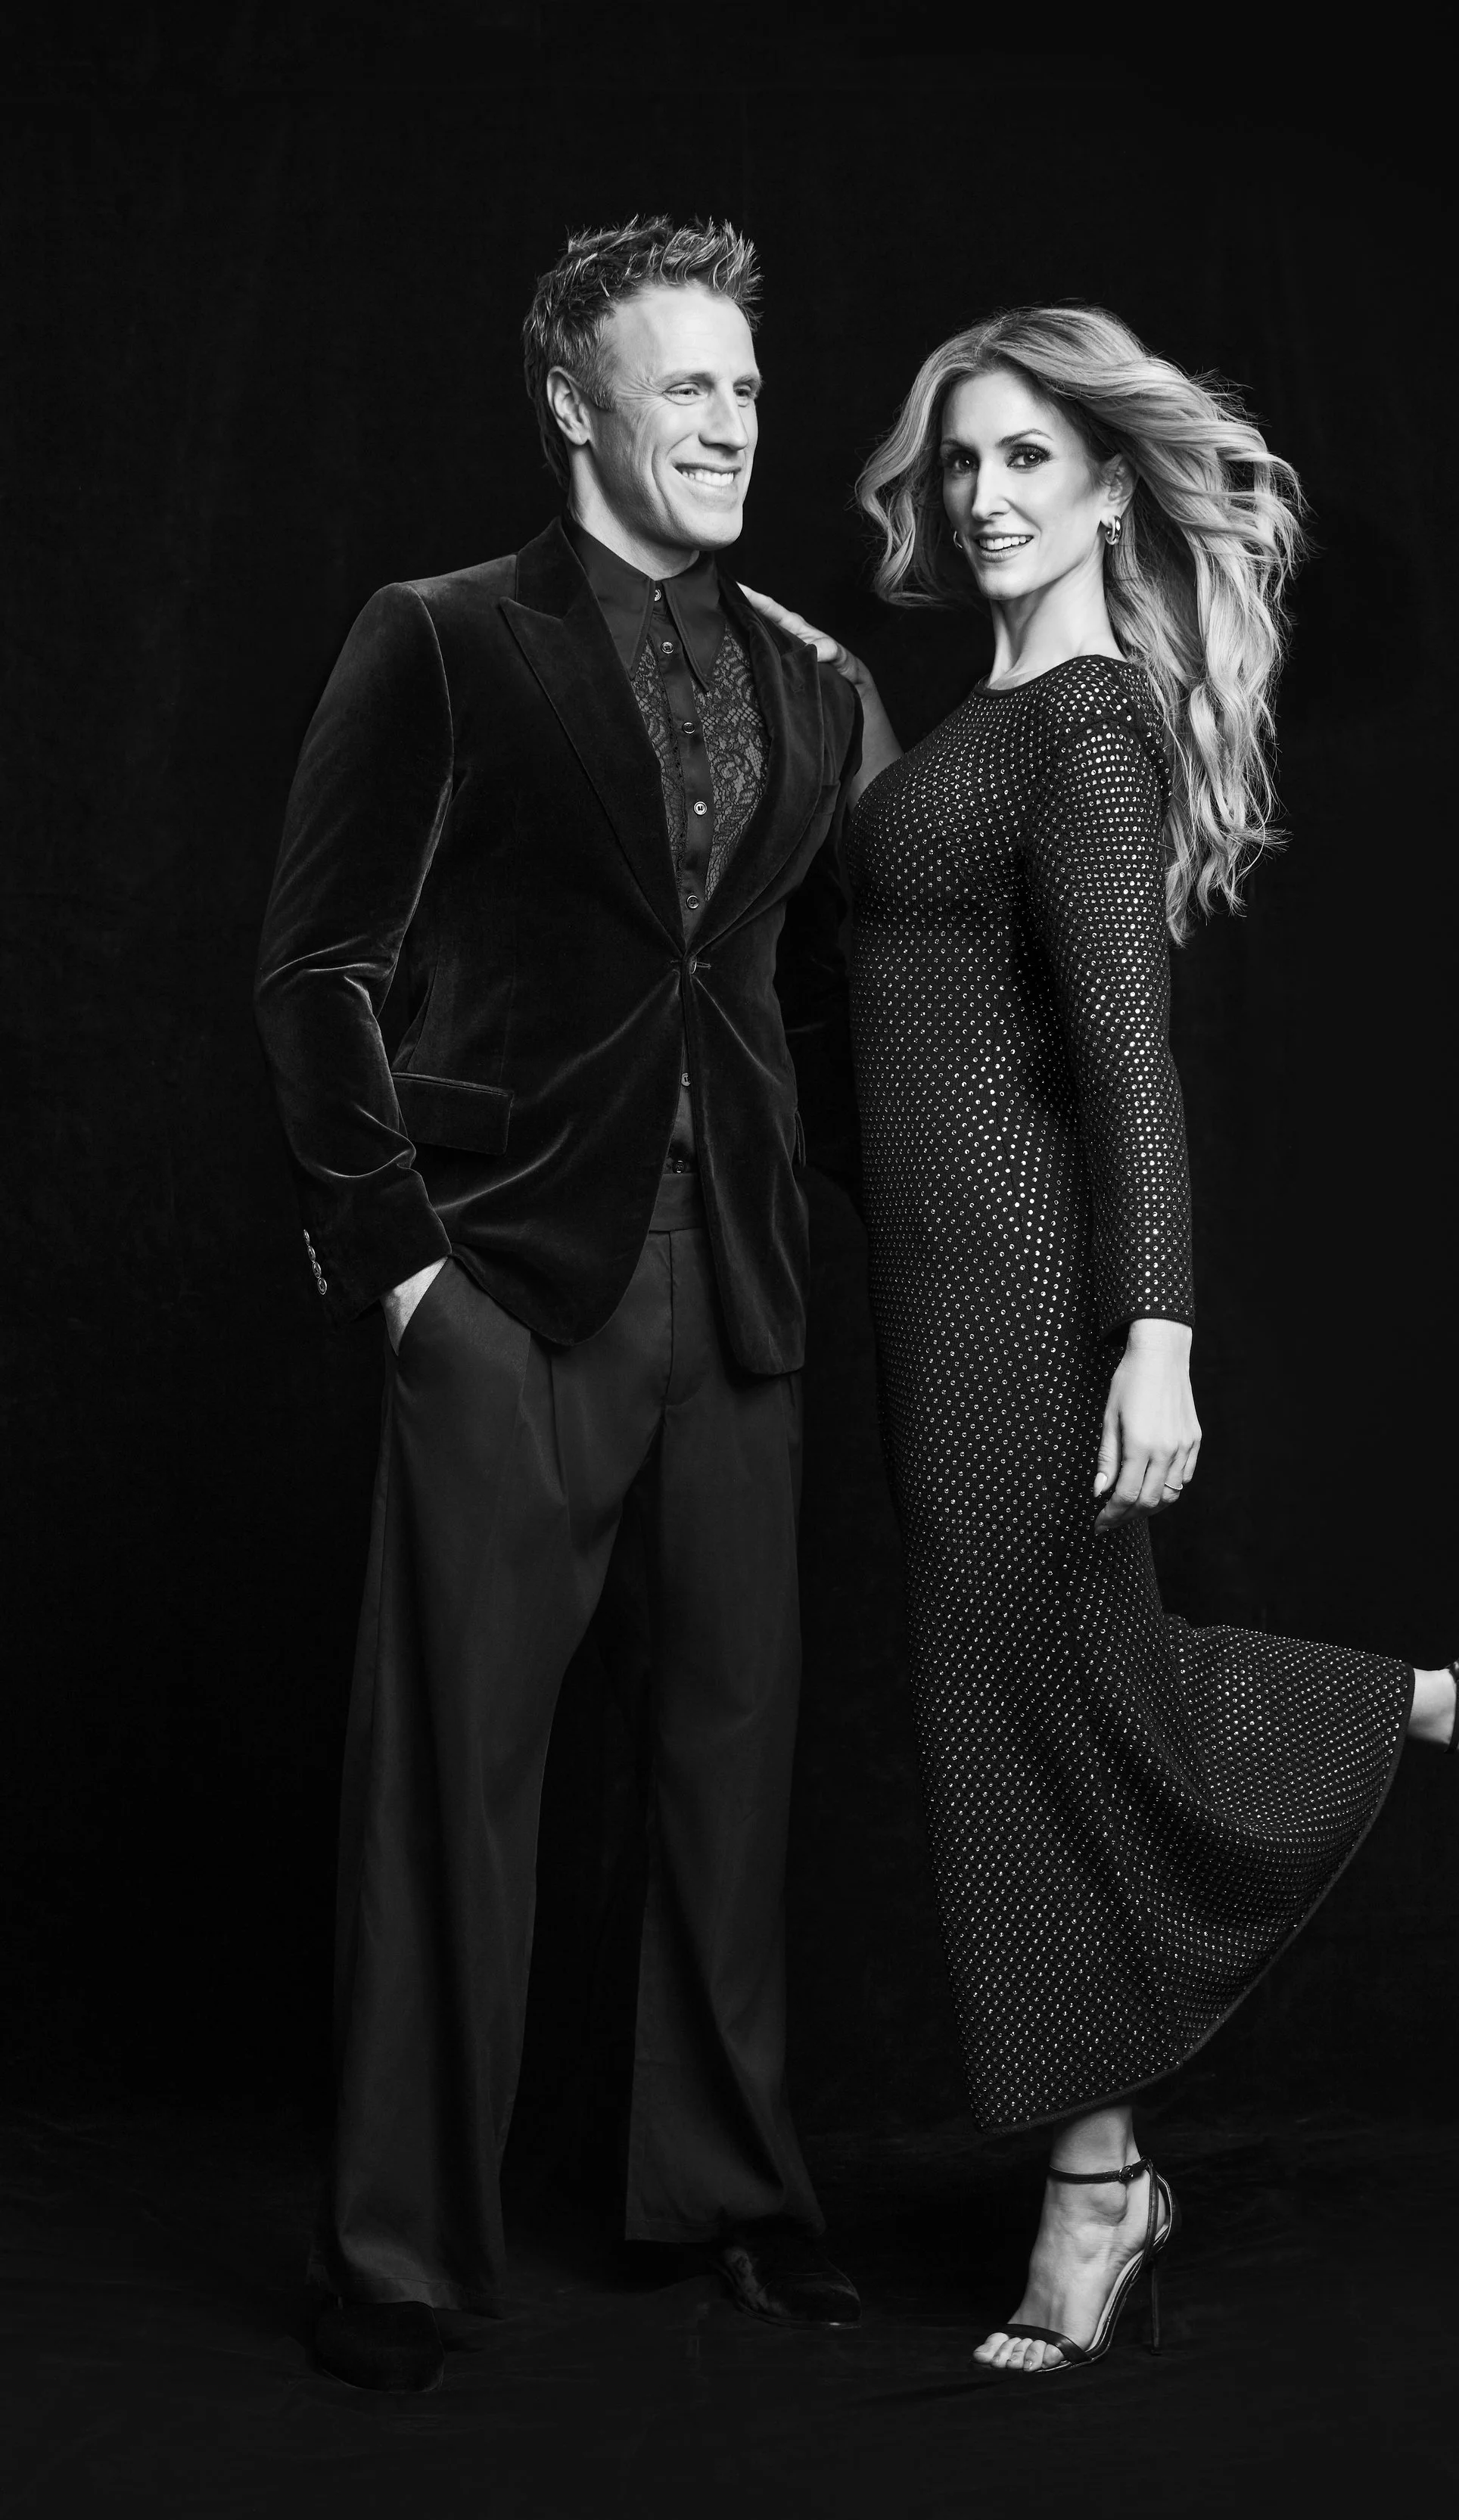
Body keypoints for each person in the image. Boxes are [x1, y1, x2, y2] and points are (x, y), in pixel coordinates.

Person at [747, 304, 1459, 2377]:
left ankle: (1093, 2190)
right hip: (931, 1286)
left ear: (1098, 483)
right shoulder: (967, 719)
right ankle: (1444, 1702)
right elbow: (854, 1004)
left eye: (1023, 460)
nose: (982, 497)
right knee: (1063, 1690)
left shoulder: (1079, 722)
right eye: (955, 461)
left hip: (1036, 1295)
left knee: (1032, 1712)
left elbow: (1128, 1064)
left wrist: (1151, 1334)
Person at [254, 216, 866, 2394]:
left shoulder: (813, 678)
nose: (731, 418)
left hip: (749, 1301)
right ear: (573, 406)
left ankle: (721, 2195)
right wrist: (405, 1270)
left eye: (746, 386)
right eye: (684, 382)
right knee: (454, 1786)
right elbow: (313, 968)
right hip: (513, 1283)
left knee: (730, 1765)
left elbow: (855, 983)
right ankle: (397, 2256)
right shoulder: (436, 636)